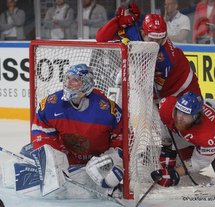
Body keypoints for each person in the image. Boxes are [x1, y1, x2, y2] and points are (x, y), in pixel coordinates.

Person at [27, 63, 124, 192]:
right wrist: (52, 158)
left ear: (87, 84)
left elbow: (122, 138)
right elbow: (41, 131)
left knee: (110, 184)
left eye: (75, 80)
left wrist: (110, 160)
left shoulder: (107, 110)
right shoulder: (51, 104)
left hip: (95, 162)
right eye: (67, 78)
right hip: (67, 161)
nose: (68, 83)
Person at [96, 3, 202, 102]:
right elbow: (100, 38)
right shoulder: (132, 28)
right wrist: (118, 20)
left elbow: (155, 89)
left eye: (159, 40)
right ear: (143, 32)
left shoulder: (165, 58)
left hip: (184, 85)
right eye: (152, 39)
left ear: (164, 36)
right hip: (161, 91)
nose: (155, 44)